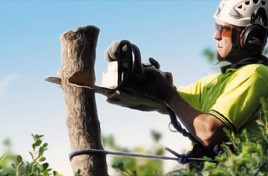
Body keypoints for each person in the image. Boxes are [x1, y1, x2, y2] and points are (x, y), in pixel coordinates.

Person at [105, 0, 268, 159]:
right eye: (216, 27)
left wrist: (167, 95)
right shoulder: (216, 82)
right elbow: (170, 101)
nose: (215, 35)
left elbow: (208, 132)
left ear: (250, 37)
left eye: (223, 29)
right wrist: (136, 74)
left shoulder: (256, 74)